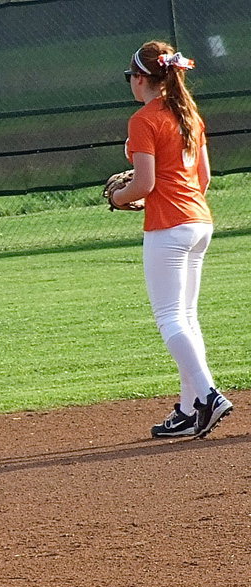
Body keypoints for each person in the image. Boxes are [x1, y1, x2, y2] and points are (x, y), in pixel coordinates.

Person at [109, 41, 232, 439]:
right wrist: (151, 197)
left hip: (169, 227)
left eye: (132, 77)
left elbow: (144, 183)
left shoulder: (144, 119)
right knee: (187, 317)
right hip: (199, 222)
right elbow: (203, 180)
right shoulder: (189, 115)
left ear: (141, 78)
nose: (132, 83)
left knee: (169, 318)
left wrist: (118, 197)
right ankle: (188, 408)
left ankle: (210, 395)